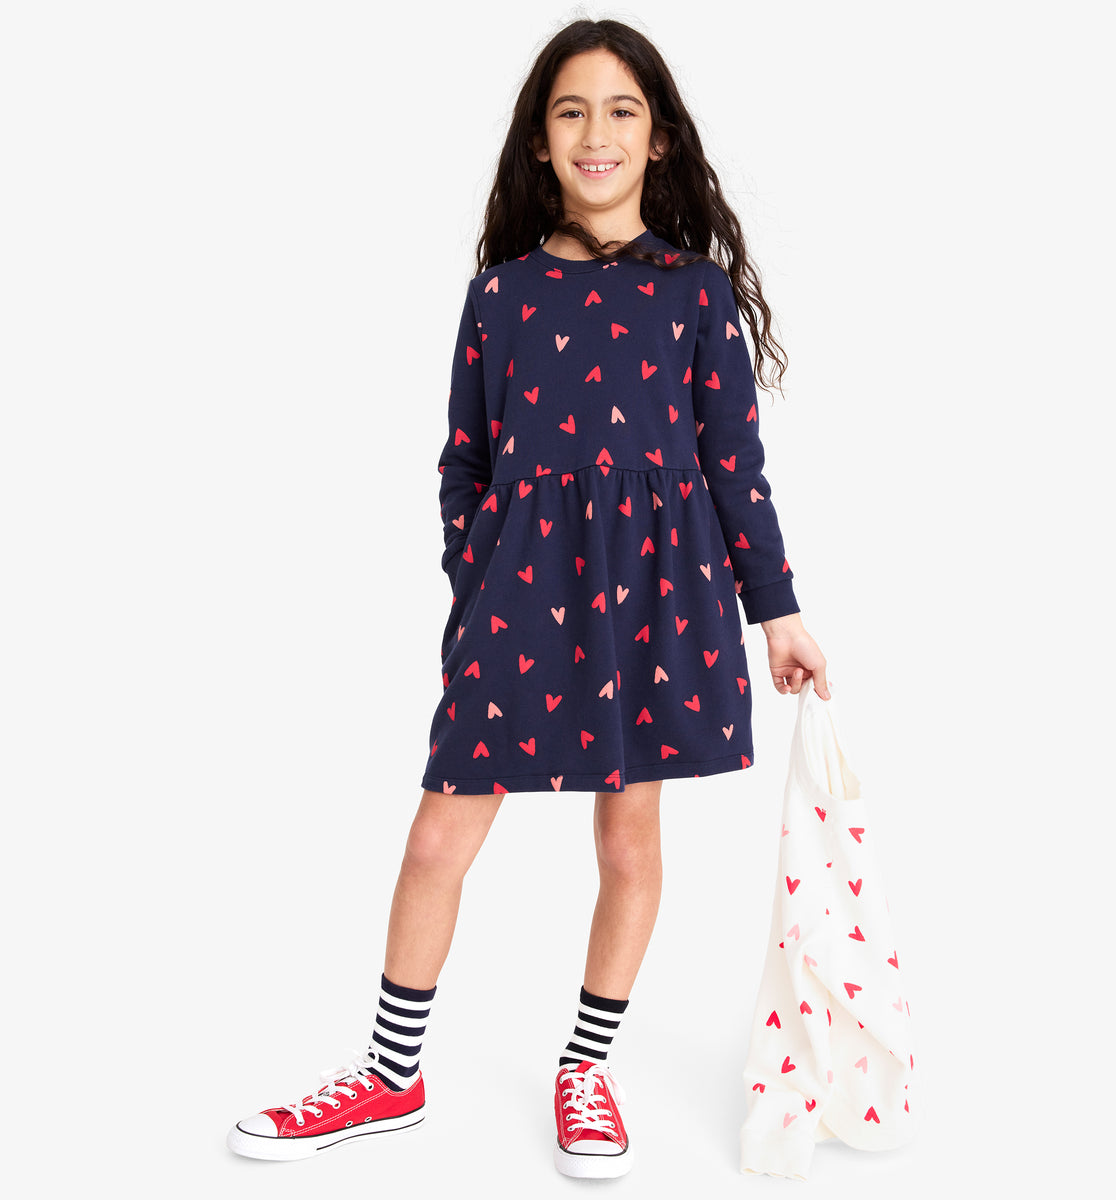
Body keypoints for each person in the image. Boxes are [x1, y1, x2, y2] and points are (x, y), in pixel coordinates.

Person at [226, 16, 830, 1180]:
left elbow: (733, 468)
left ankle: (584, 1070)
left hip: (653, 602)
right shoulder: (500, 298)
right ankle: (391, 1074)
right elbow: (463, 462)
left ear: (658, 139)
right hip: (518, 605)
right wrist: (483, 573)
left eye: (621, 111)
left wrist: (779, 610)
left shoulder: (694, 297)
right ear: (541, 140)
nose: (596, 133)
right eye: (571, 111)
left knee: (629, 840)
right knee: (438, 836)